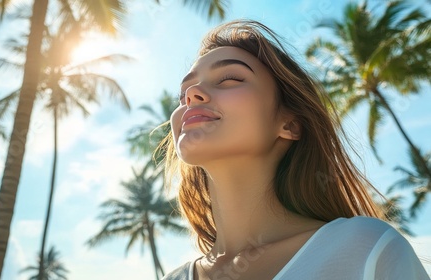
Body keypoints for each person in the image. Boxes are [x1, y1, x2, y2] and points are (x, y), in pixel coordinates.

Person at [159, 20, 429, 280]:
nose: (192, 94)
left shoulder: (367, 250)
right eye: (182, 95)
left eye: (229, 78)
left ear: (289, 123)